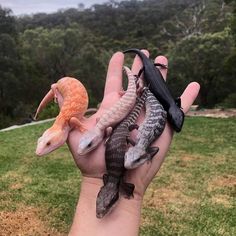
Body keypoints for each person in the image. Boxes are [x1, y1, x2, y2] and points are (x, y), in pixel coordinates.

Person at [65, 50, 200, 236]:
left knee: (138, 101)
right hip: (128, 129)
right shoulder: (114, 170)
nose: (100, 211)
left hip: (129, 128)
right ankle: (140, 86)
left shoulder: (127, 145)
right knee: (137, 102)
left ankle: (141, 86)